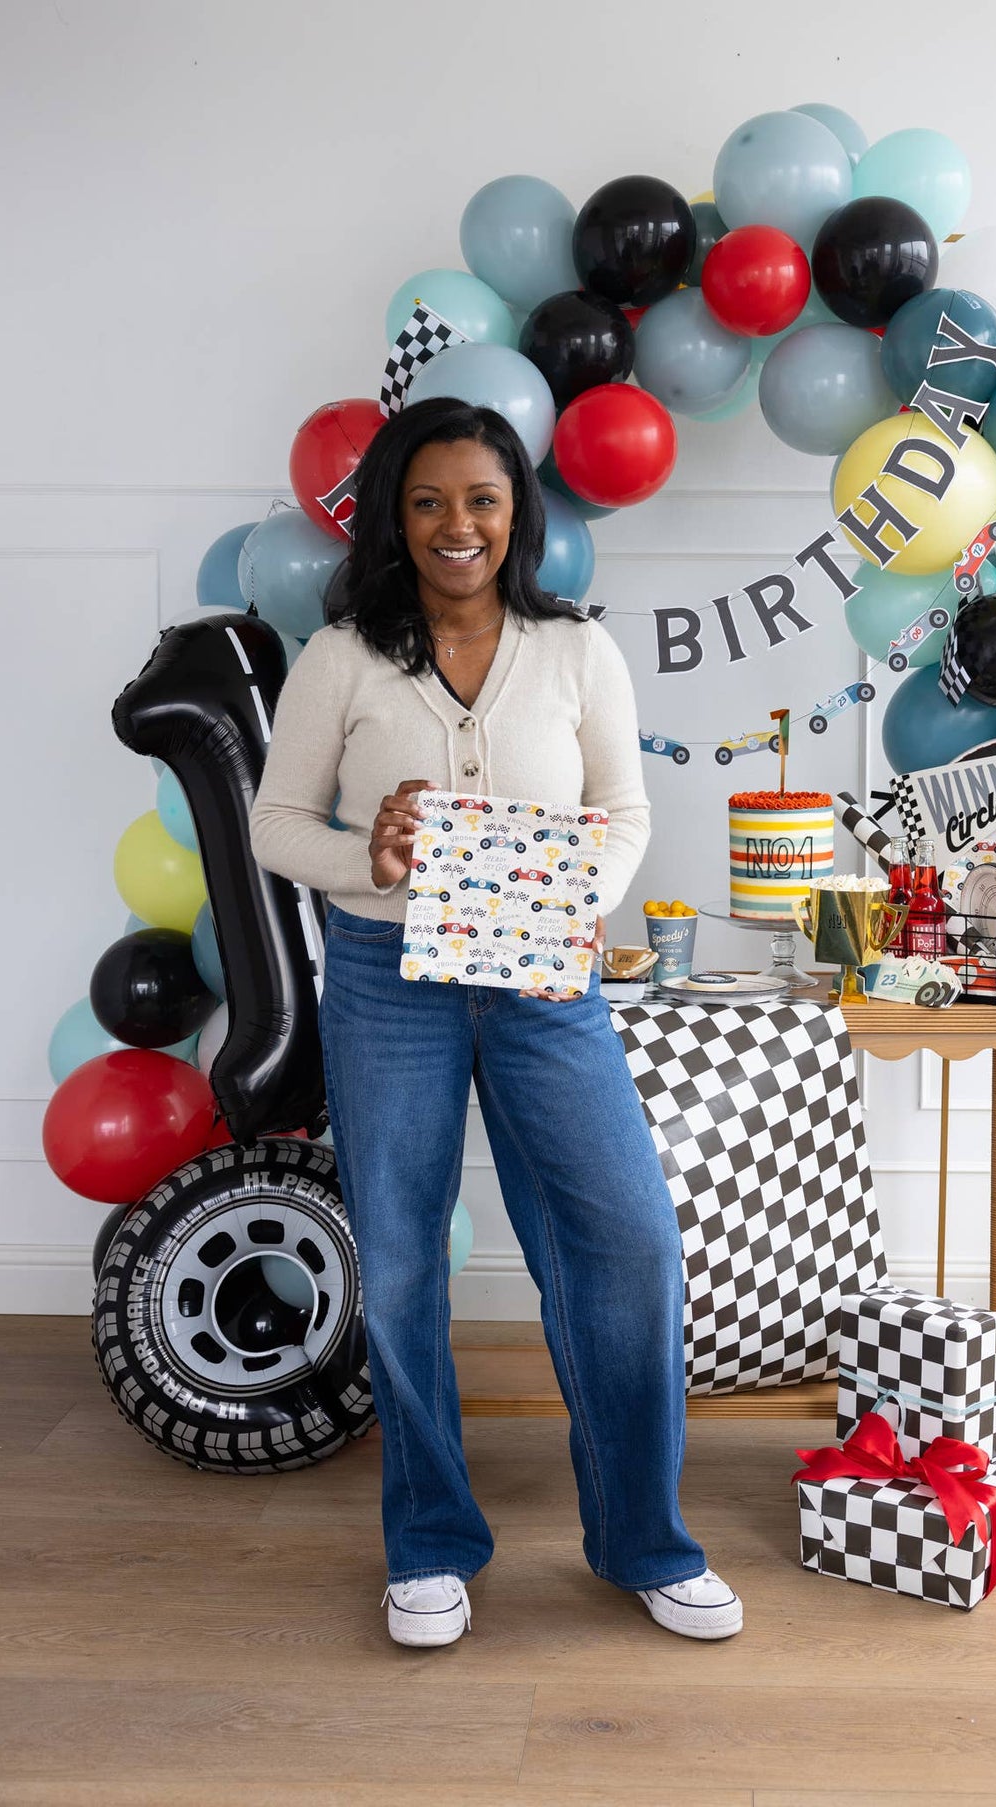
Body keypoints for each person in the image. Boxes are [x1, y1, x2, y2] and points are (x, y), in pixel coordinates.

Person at [248, 397, 741, 1648]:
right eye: (426, 501)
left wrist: (570, 899)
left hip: (542, 980)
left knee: (626, 1242)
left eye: (479, 498)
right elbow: (274, 826)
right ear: (392, 519)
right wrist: (377, 851)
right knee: (404, 1258)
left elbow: (623, 812)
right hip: (384, 978)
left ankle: (645, 1539)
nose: (454, 524)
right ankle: (427, 1543)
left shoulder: (577, 651)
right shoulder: (343, 658)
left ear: (515, 511)